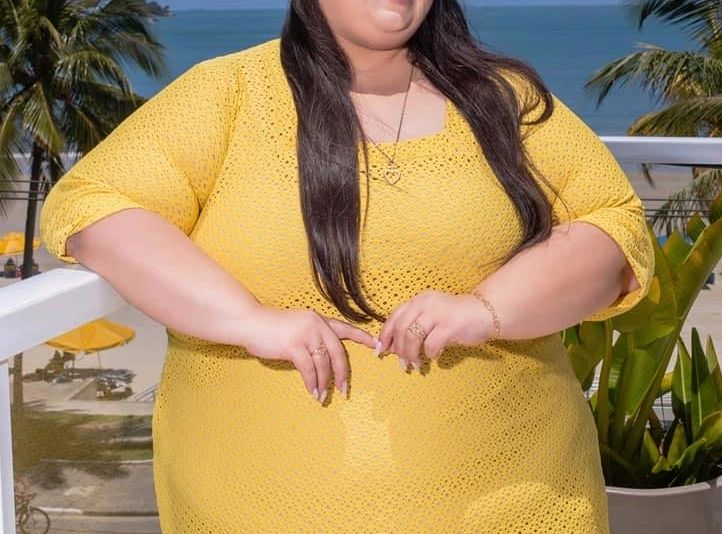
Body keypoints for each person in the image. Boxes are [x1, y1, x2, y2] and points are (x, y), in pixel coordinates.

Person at [39, 1, 655, 532]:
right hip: (259, 509)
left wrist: (486, 310)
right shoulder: (228, 94)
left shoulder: (503, 99)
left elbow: (614, 226)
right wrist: (248, 320)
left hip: (513, 499)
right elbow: (92, 205)